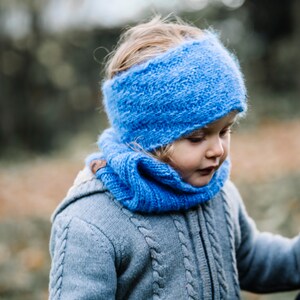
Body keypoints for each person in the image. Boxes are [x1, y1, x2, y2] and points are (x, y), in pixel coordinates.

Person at [49, 16, 300, 299]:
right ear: (147, 140)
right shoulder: (91, 224)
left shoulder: (218, 193)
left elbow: (253, 260)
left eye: (225, 130)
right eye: (196, 137)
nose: (217, 149)